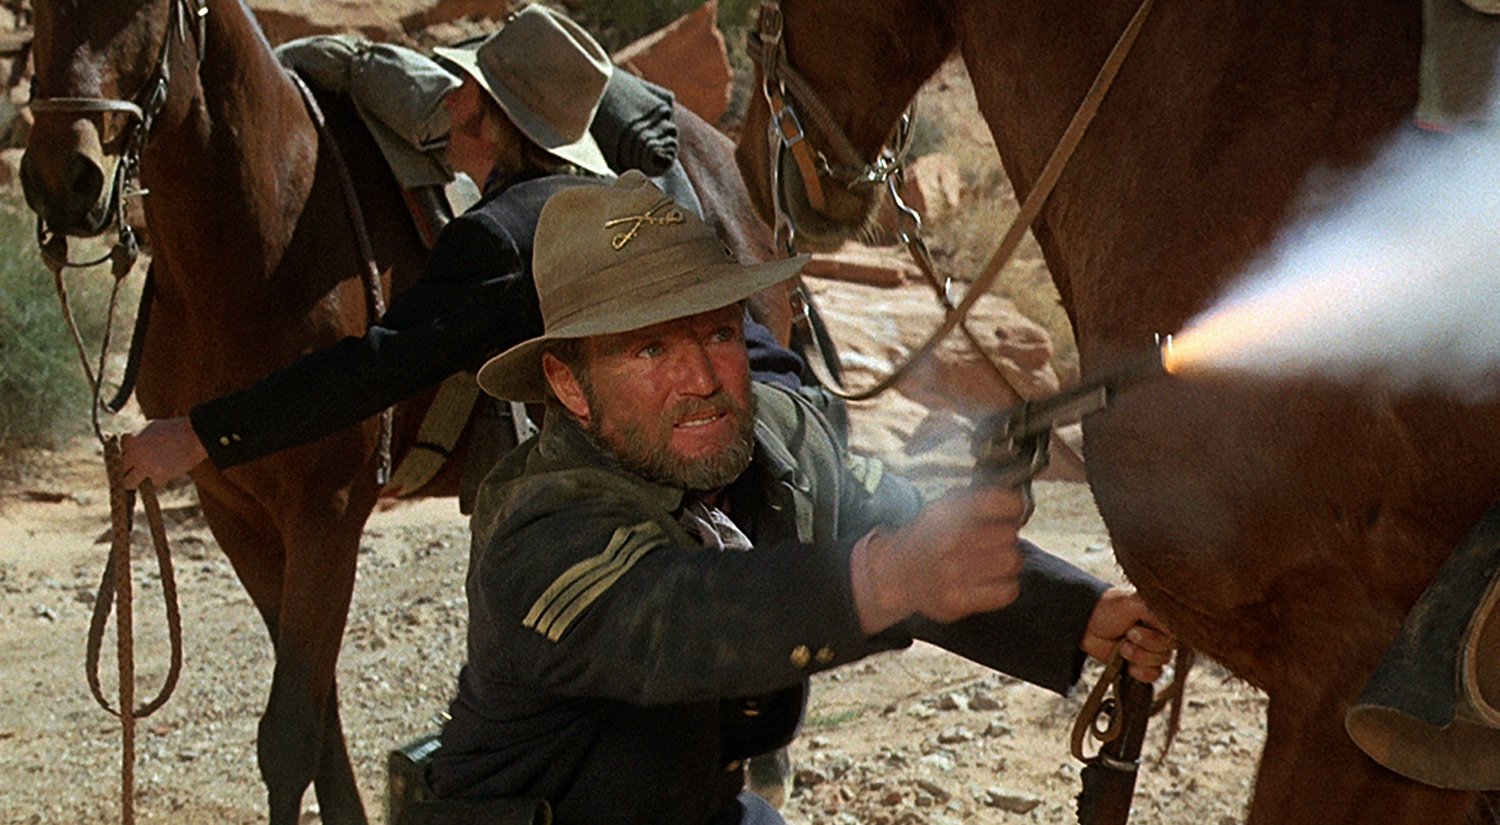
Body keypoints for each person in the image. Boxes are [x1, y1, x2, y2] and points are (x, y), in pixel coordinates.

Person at [428, 171, 1175, 825]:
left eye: (719, 335)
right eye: (650, 349)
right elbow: (680, 613)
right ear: (568, 385)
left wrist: (1080, 614)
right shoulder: (538, 526)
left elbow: (896, 522)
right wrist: (887, 577)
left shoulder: (774, 439)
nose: (701, 380)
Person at [117, 4, 800, 499]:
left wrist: (202, 434)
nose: (448, 102)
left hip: (698, 473)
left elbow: (377, 367)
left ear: (489, 117)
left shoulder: (497, 234)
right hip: (767, 431)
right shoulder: (600, 202)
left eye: (466, 89)